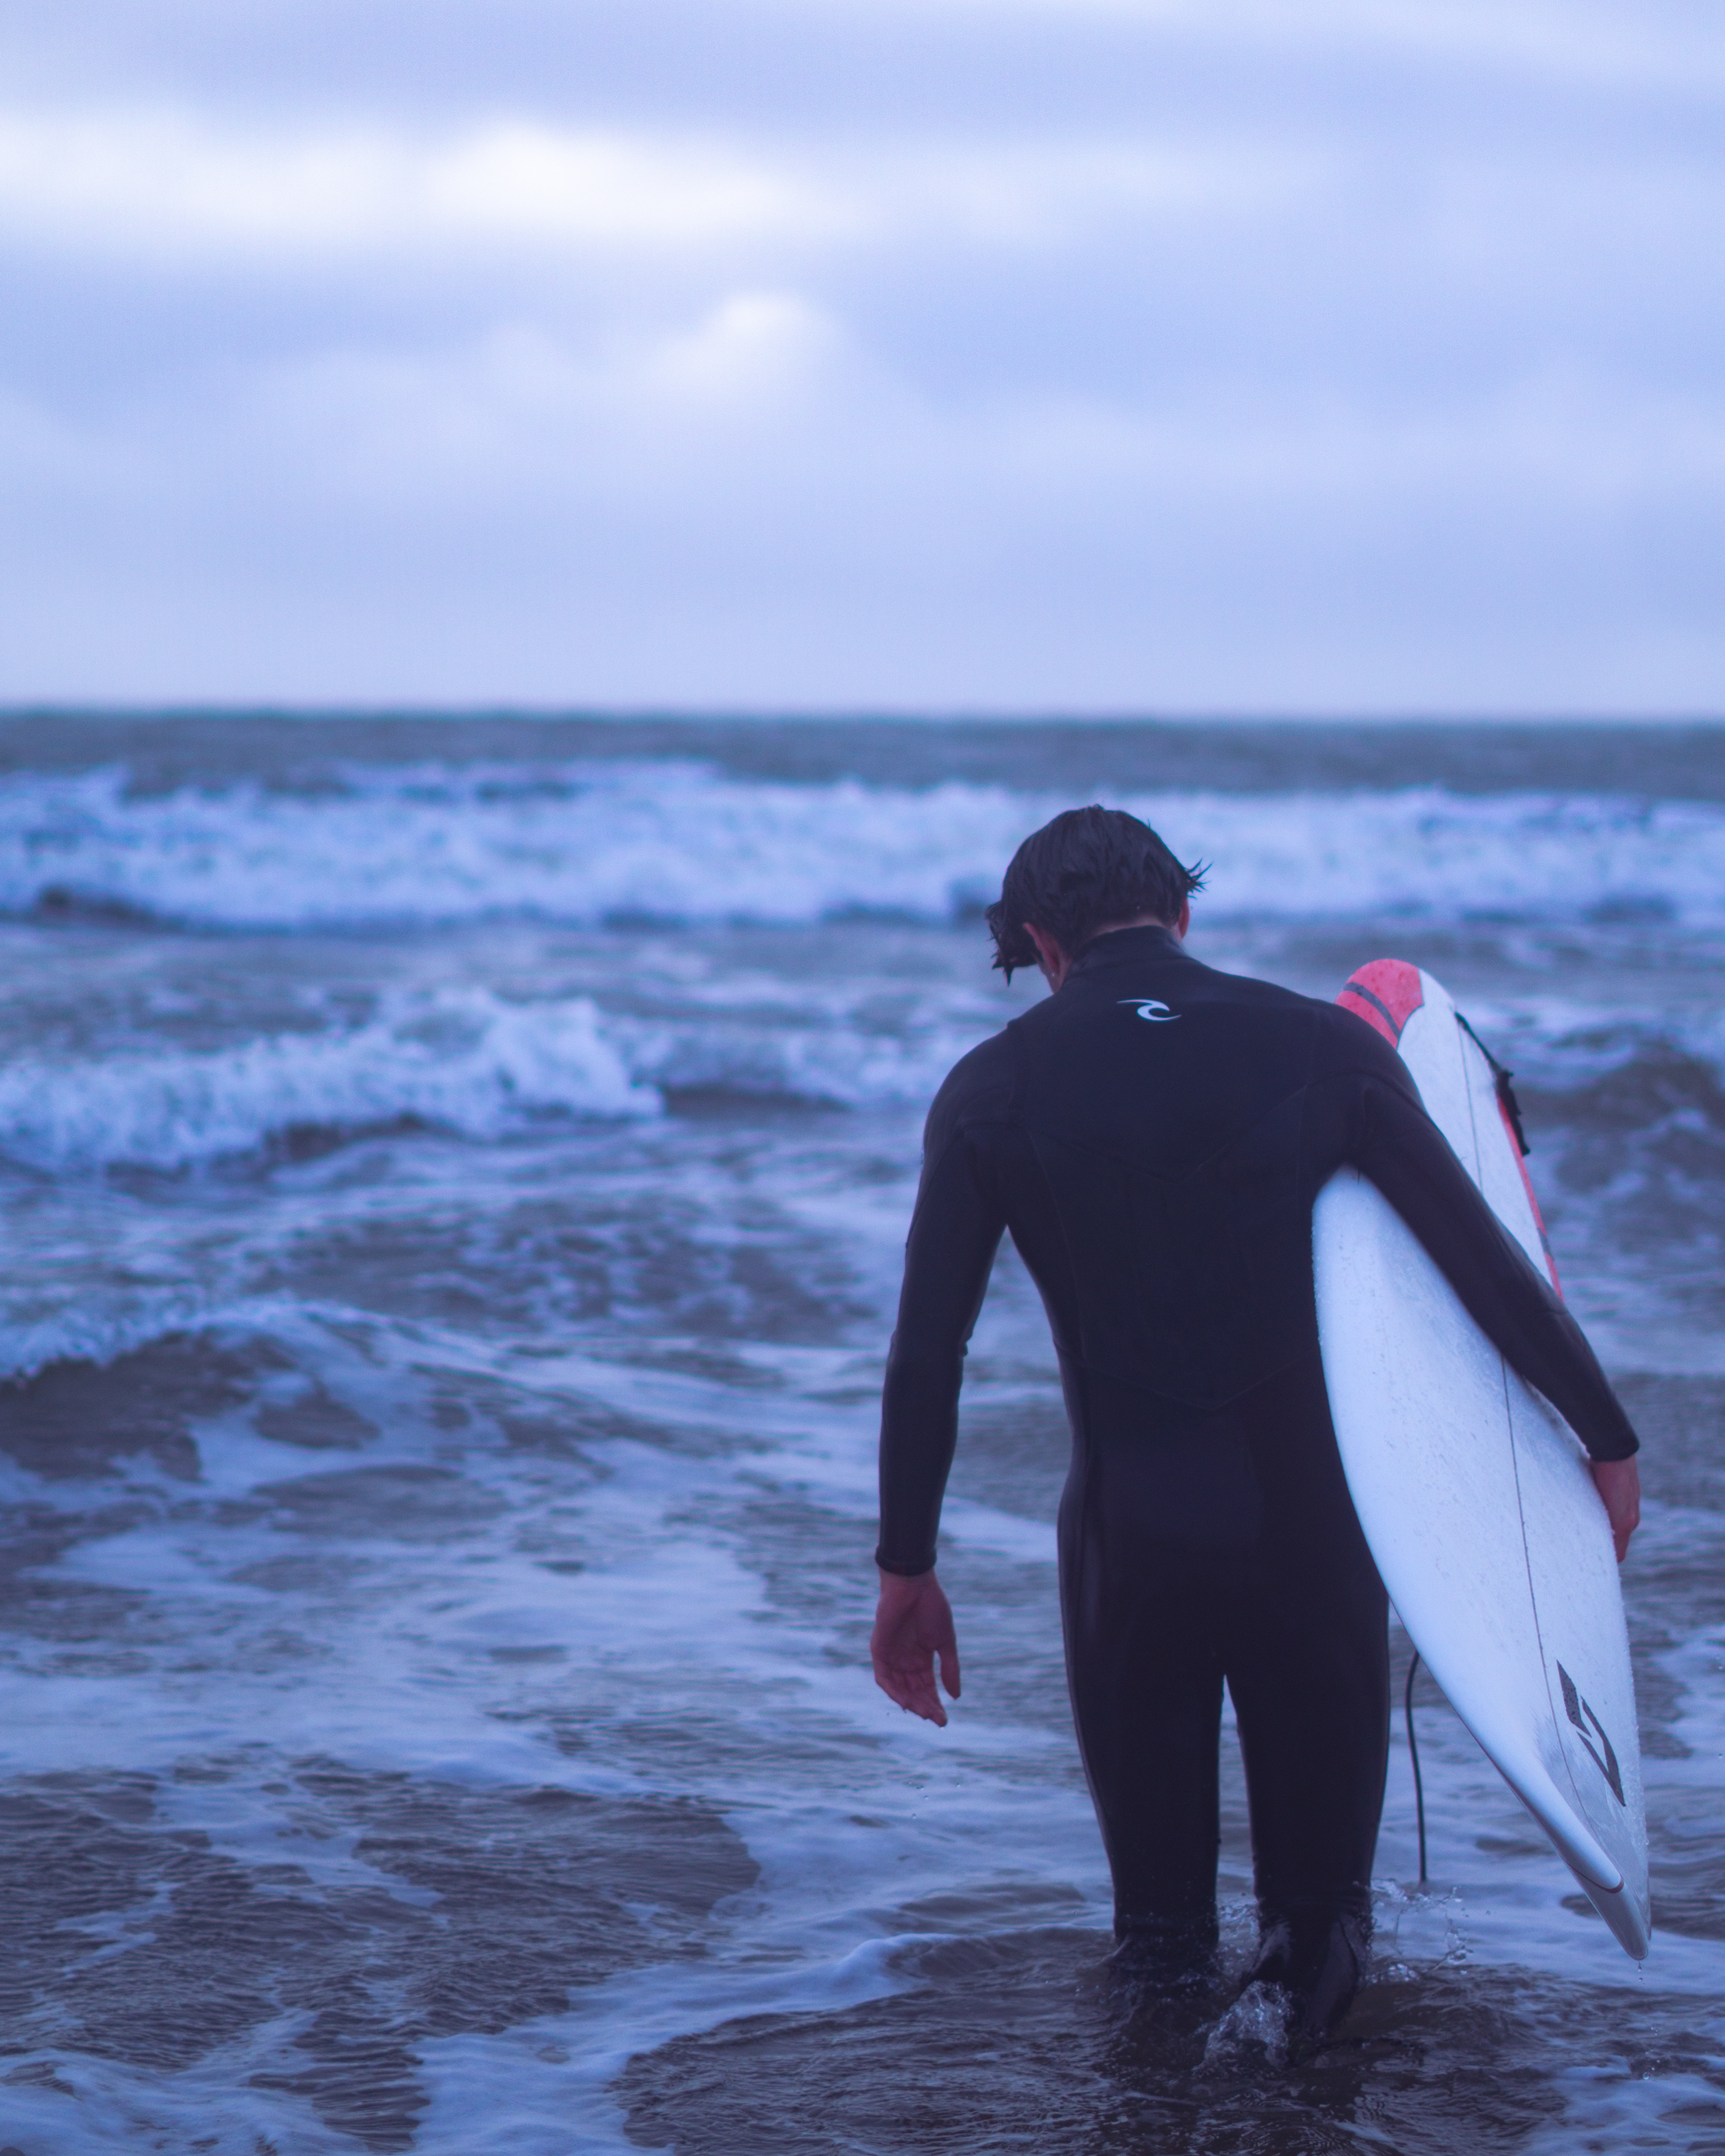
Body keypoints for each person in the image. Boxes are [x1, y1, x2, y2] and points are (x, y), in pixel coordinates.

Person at [870, 806, 1640, 2040]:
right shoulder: (1323, 1051)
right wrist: (1603, 1435)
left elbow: (927, 1354)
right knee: (1322, 1927)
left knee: (1160, 1948)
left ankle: (1158, 2120)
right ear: (1182, 911)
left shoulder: (991, 1090)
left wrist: (906, 1565)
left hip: (1129, 1551)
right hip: (1313, 1544)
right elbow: (1482, 1264)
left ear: (1038, 944)